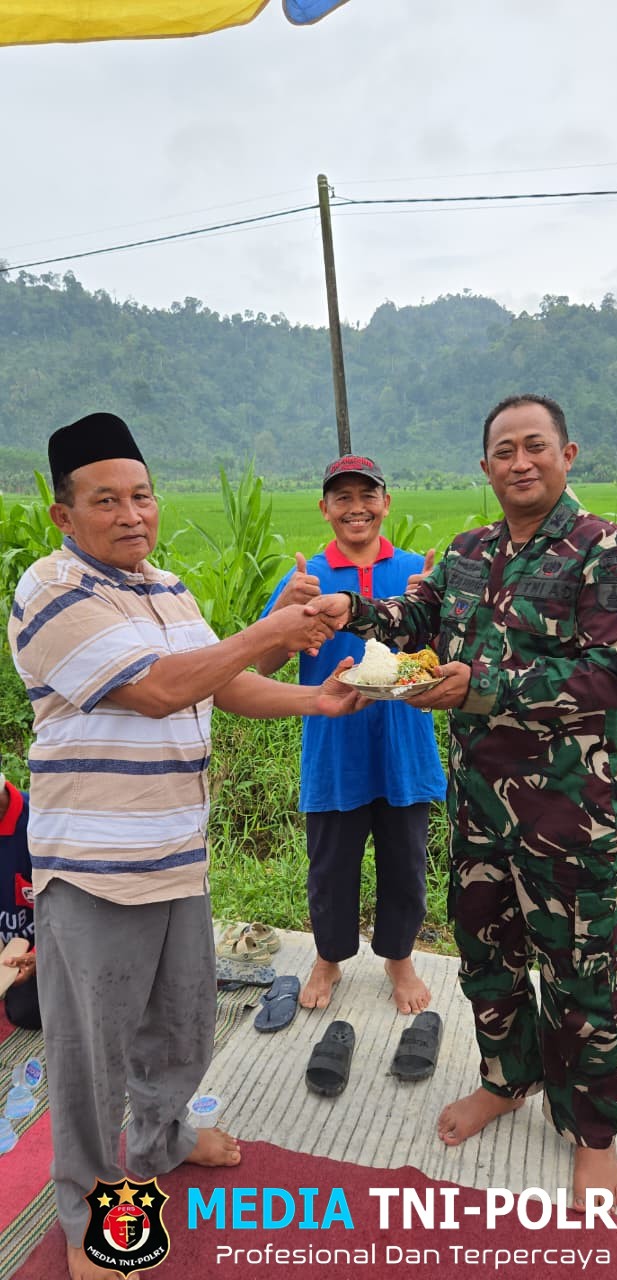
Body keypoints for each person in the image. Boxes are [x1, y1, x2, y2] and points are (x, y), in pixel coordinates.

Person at [7, 412, 358, 1280]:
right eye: (106, 501)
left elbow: (220, 682)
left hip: (175, 852)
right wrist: (275, 631)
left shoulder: (167, 589)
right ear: (64, 515)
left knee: (180, 1022)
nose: (132, 515)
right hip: (93, 870)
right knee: (91, 1044)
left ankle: (161, 1137)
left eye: (142, 496)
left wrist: (318, 700)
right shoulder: (51, 590)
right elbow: (161, 689)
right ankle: (89, 1199)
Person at [307, 395, 617, 1210]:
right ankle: (508, 1080)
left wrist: (480, 686)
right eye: (504, 450)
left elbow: (610, 675)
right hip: (480, 812)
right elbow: (418, 614)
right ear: (486, 467)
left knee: (580, 975)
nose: (520, 462)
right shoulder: (467, 553)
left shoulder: (607, 552)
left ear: (567, 453)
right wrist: (353, 611)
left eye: (535, 446)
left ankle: (592, 1131)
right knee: (487, 958)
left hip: (571, 818)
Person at [256, 454, 446, 1013]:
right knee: (331, 867)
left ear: (385, 503)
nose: (356, 508)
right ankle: (328, 957)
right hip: (334, 749)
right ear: (325, 508)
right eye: (343, 497)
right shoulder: (307, 578)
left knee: (405, 865)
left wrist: (427, 610)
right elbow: (264, 665)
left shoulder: (417, 571)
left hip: (404, 748)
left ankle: (399, 958)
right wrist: (287, 619)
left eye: (367, 495)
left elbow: (445, 659)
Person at [0, 759, 40, 1030]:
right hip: (5, 951)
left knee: (26, 1010)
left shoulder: (39, 824)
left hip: (46, 950)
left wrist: (40, 955)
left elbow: (78, 910)